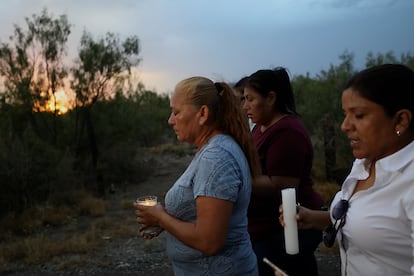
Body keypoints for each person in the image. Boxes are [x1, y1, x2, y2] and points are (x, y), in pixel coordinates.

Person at [279, 63, 414, 275]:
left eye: (358, 115)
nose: (344, 125)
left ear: (400, 120)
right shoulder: (365, 162)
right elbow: (371, 220)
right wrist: (314, 218)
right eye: (345, 114)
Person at [134, 76, 261, 275]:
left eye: (176, 112)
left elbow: (209, 242)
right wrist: (169, 220)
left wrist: (161, 218)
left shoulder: (216, 157)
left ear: (202, 113)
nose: (170, 120)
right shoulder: (213, 149)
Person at [242, 67, 324, 276]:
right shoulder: (259, 128)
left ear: (270, 98)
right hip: (267, 228)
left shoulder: (287, 132)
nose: (245, 106)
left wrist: (236, 178)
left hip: (289, 227)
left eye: (250, 99)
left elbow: (282, 185)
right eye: (244, 99)